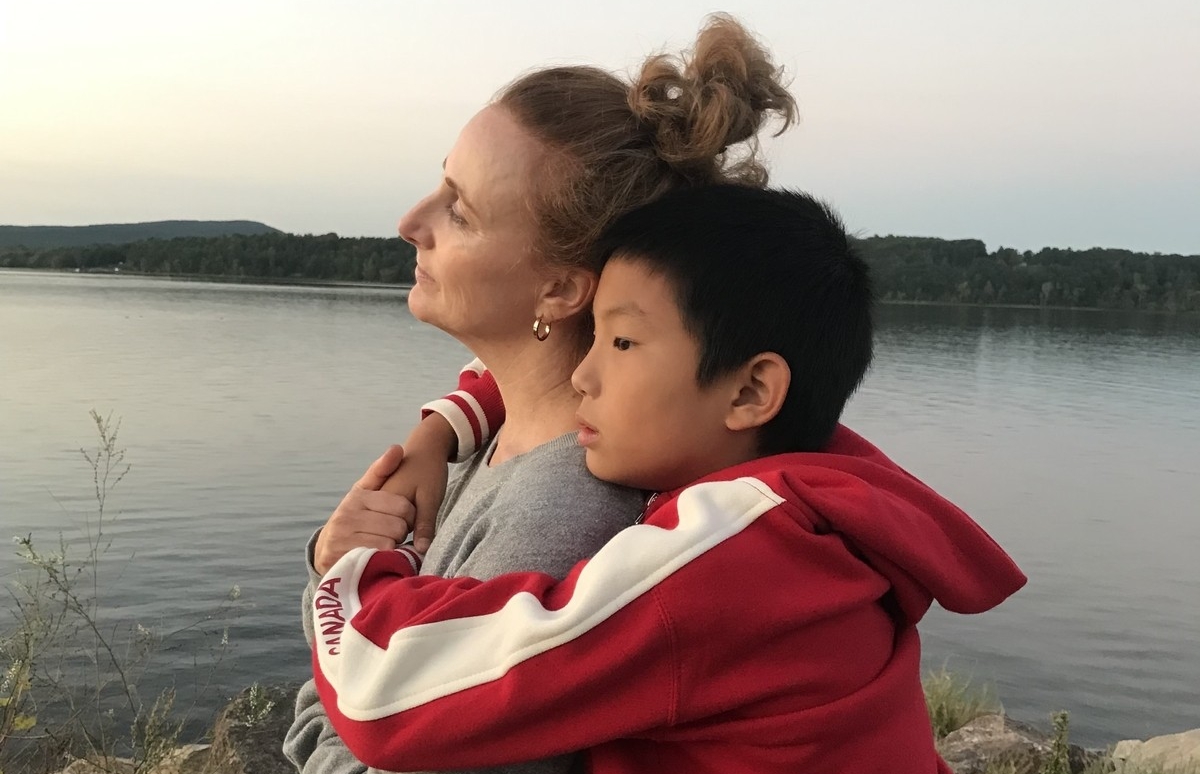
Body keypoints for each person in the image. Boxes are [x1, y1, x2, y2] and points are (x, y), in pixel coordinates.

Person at [309, 184, 1028, 774]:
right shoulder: (811, 483)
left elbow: (387, 693)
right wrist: (444, 427)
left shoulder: (725, 568)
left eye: (620, 341)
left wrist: (357, 564)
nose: (583, 374)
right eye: (588, 334)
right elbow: (543, 383)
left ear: (749, 393)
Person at [283, 14, 799, 774]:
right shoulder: (509, 435)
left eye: (459, 208)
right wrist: (435, 438)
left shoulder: (559, 524)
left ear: (559, 289)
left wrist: (336, 579)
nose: (410, 222)